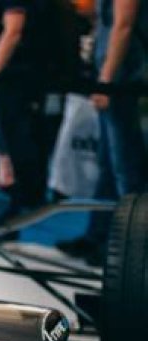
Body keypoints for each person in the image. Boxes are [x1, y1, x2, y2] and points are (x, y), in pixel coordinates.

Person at [58, 0, 148, 264]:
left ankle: (129, 248)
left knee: (126, 169)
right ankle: (99, 236)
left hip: (123, 81)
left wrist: (106, 80)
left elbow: (124, 25)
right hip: (113, 76)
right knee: (108, 165)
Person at [0, 0, 45, 211]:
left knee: (11, 145)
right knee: (0, 143)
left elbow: (13, 31)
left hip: (9, 80)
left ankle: (18, 201)